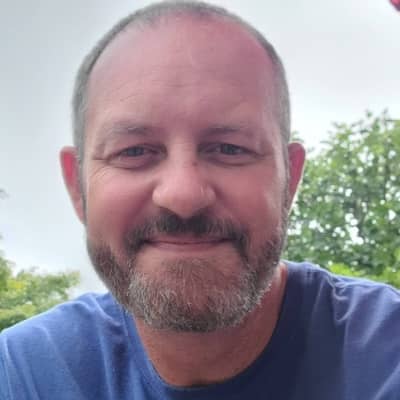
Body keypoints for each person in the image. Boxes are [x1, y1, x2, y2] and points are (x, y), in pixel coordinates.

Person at [1, 1, 399, 399]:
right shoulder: (23, 375)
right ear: (77, 187)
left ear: (289, 180)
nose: (183, 196)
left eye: (230, 148)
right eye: (134, 151)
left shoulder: (387, 356)